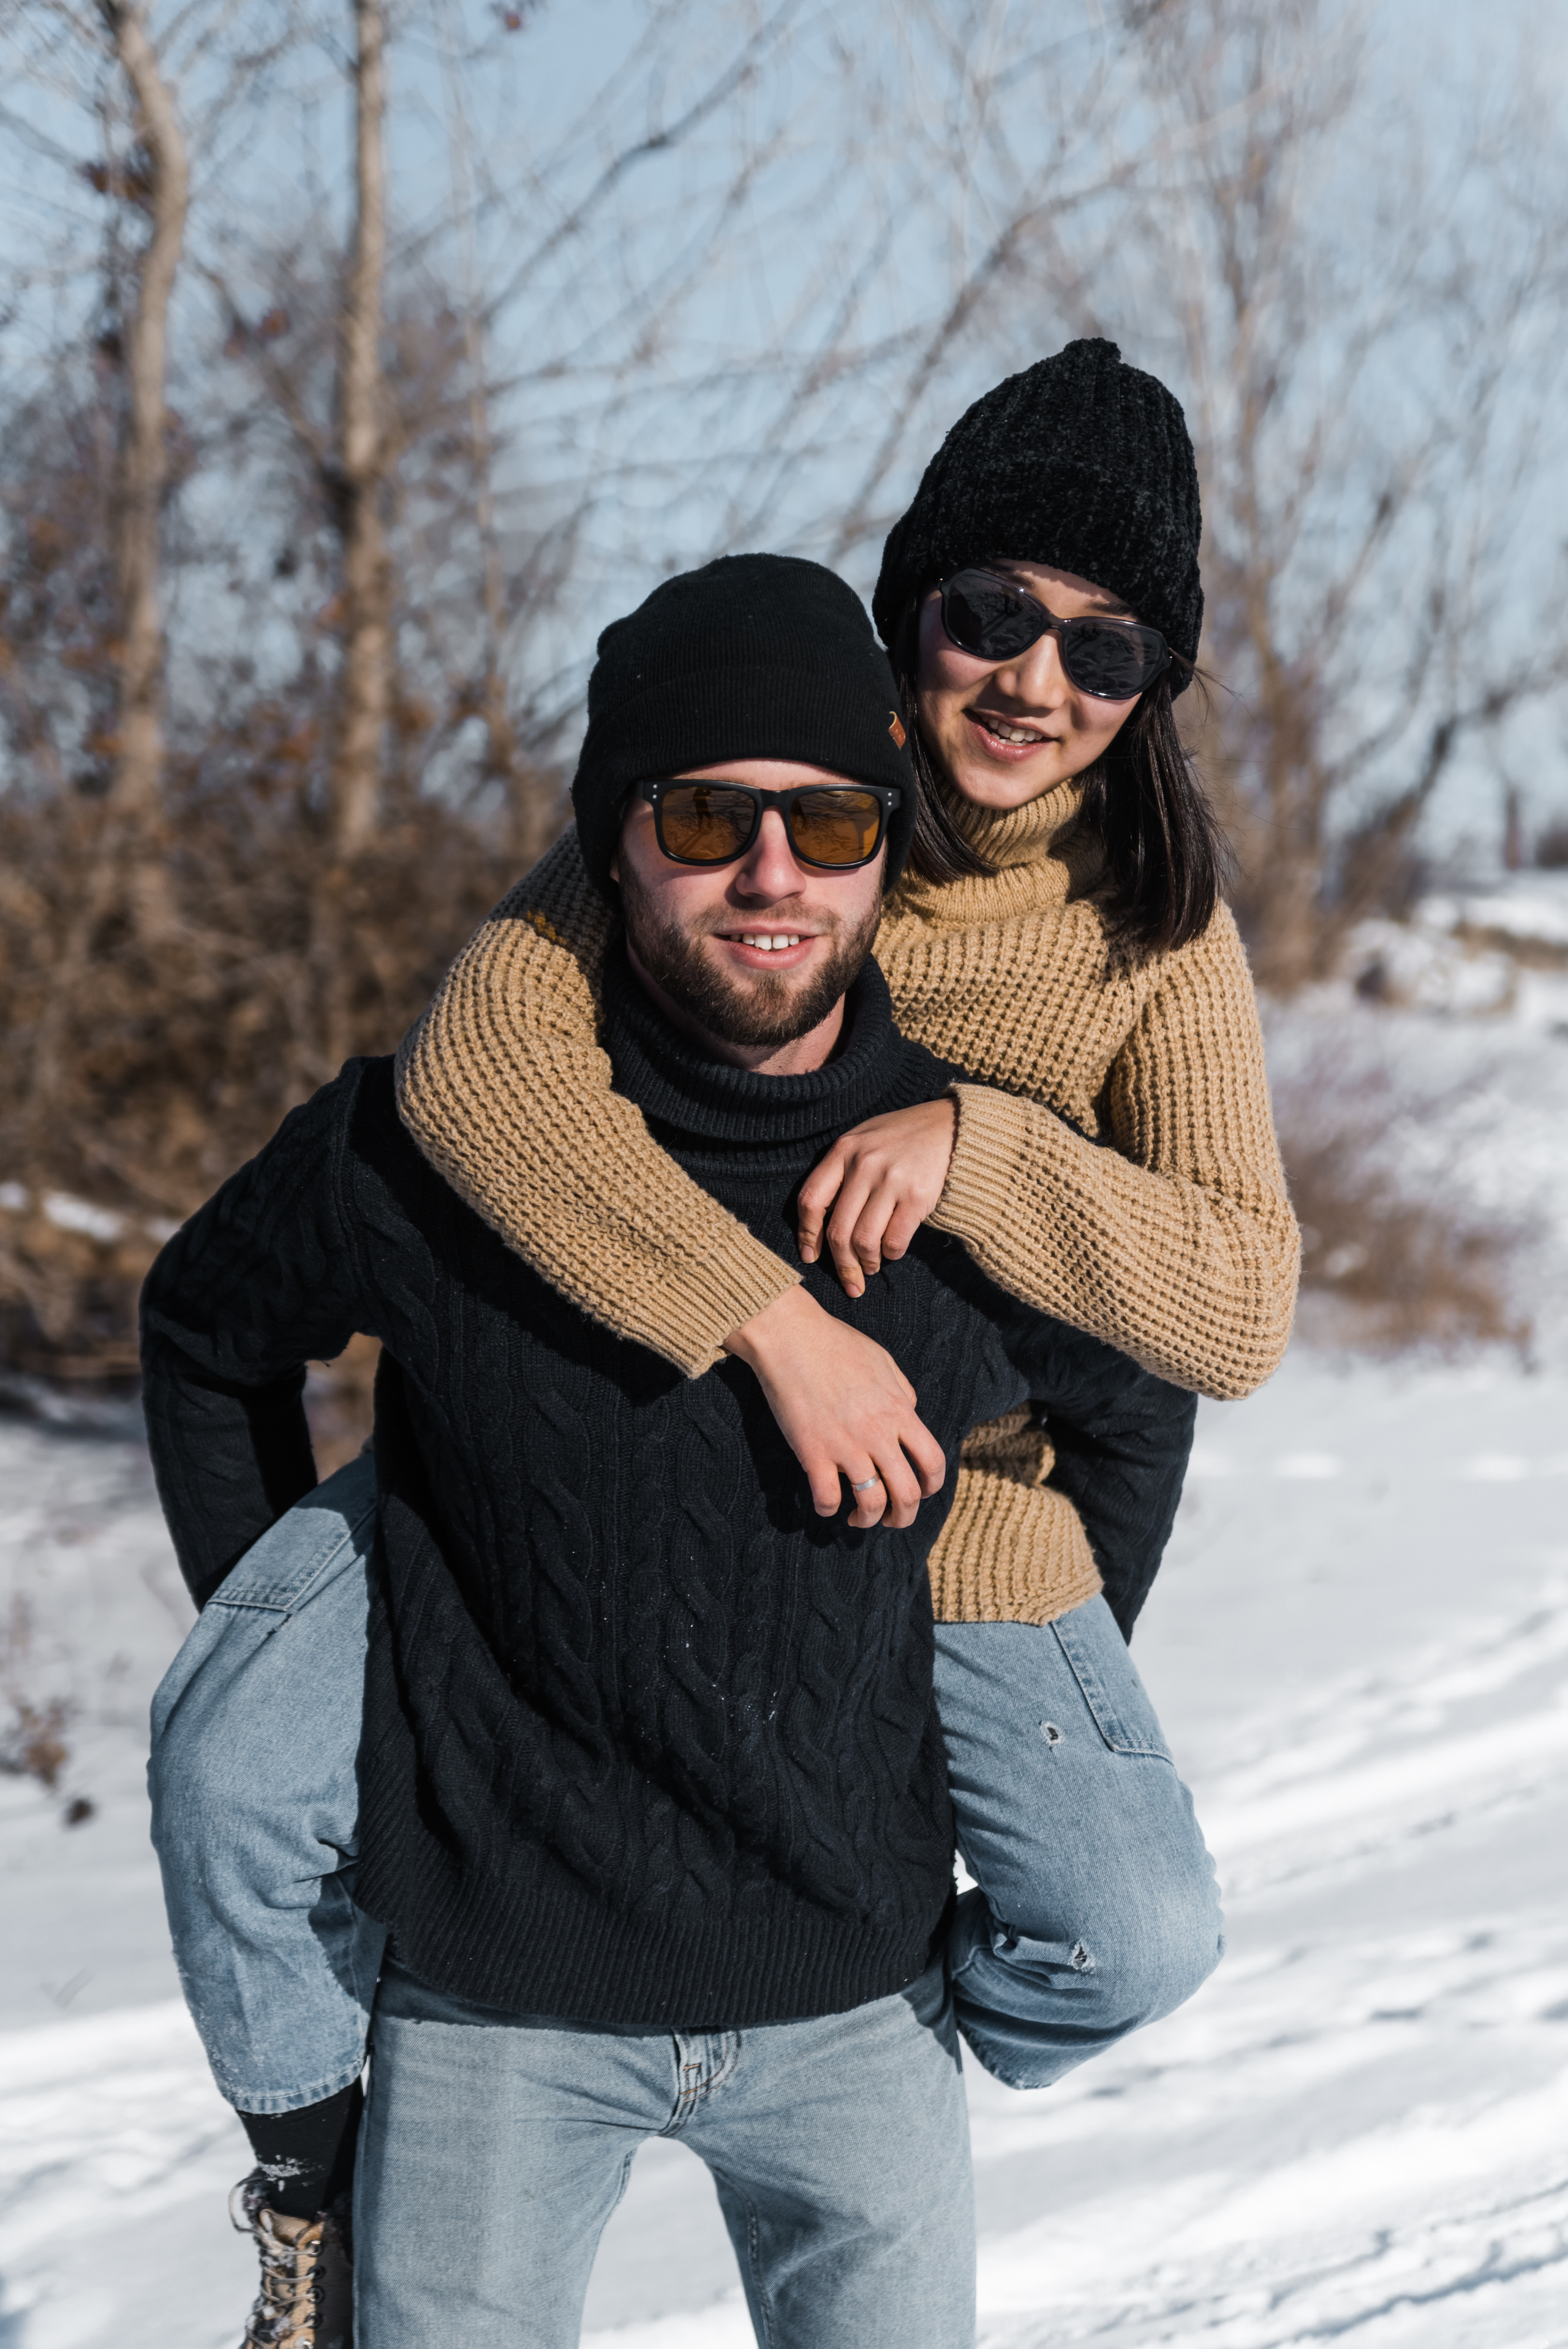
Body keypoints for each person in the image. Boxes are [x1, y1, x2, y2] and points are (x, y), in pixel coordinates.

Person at [142, 556, 1207, 2349]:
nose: (774, 873)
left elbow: (1139, 1396)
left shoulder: (966, 1178)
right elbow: (202, 1329)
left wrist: (1002, 1719)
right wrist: (333, 1629)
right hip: (493, 2009)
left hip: (856, 2010)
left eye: (835, 821)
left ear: (890, 845)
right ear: (614, 835)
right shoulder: (430, 1155)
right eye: (708, 815)